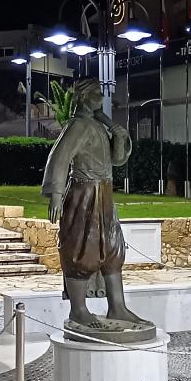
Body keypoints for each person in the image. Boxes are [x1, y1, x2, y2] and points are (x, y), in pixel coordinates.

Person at [42, 79, 153, 338]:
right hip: (84, 195)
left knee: (113, 249)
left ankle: (117, 307)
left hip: (103, 195)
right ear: (83, 97)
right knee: (81, 250)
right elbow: (59, 158)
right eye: (96, 94)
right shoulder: (78, 126)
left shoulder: (97, 126)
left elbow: (116, 160)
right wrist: (56, 195)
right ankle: (79, 310)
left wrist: (118, 134)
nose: (101, 98)